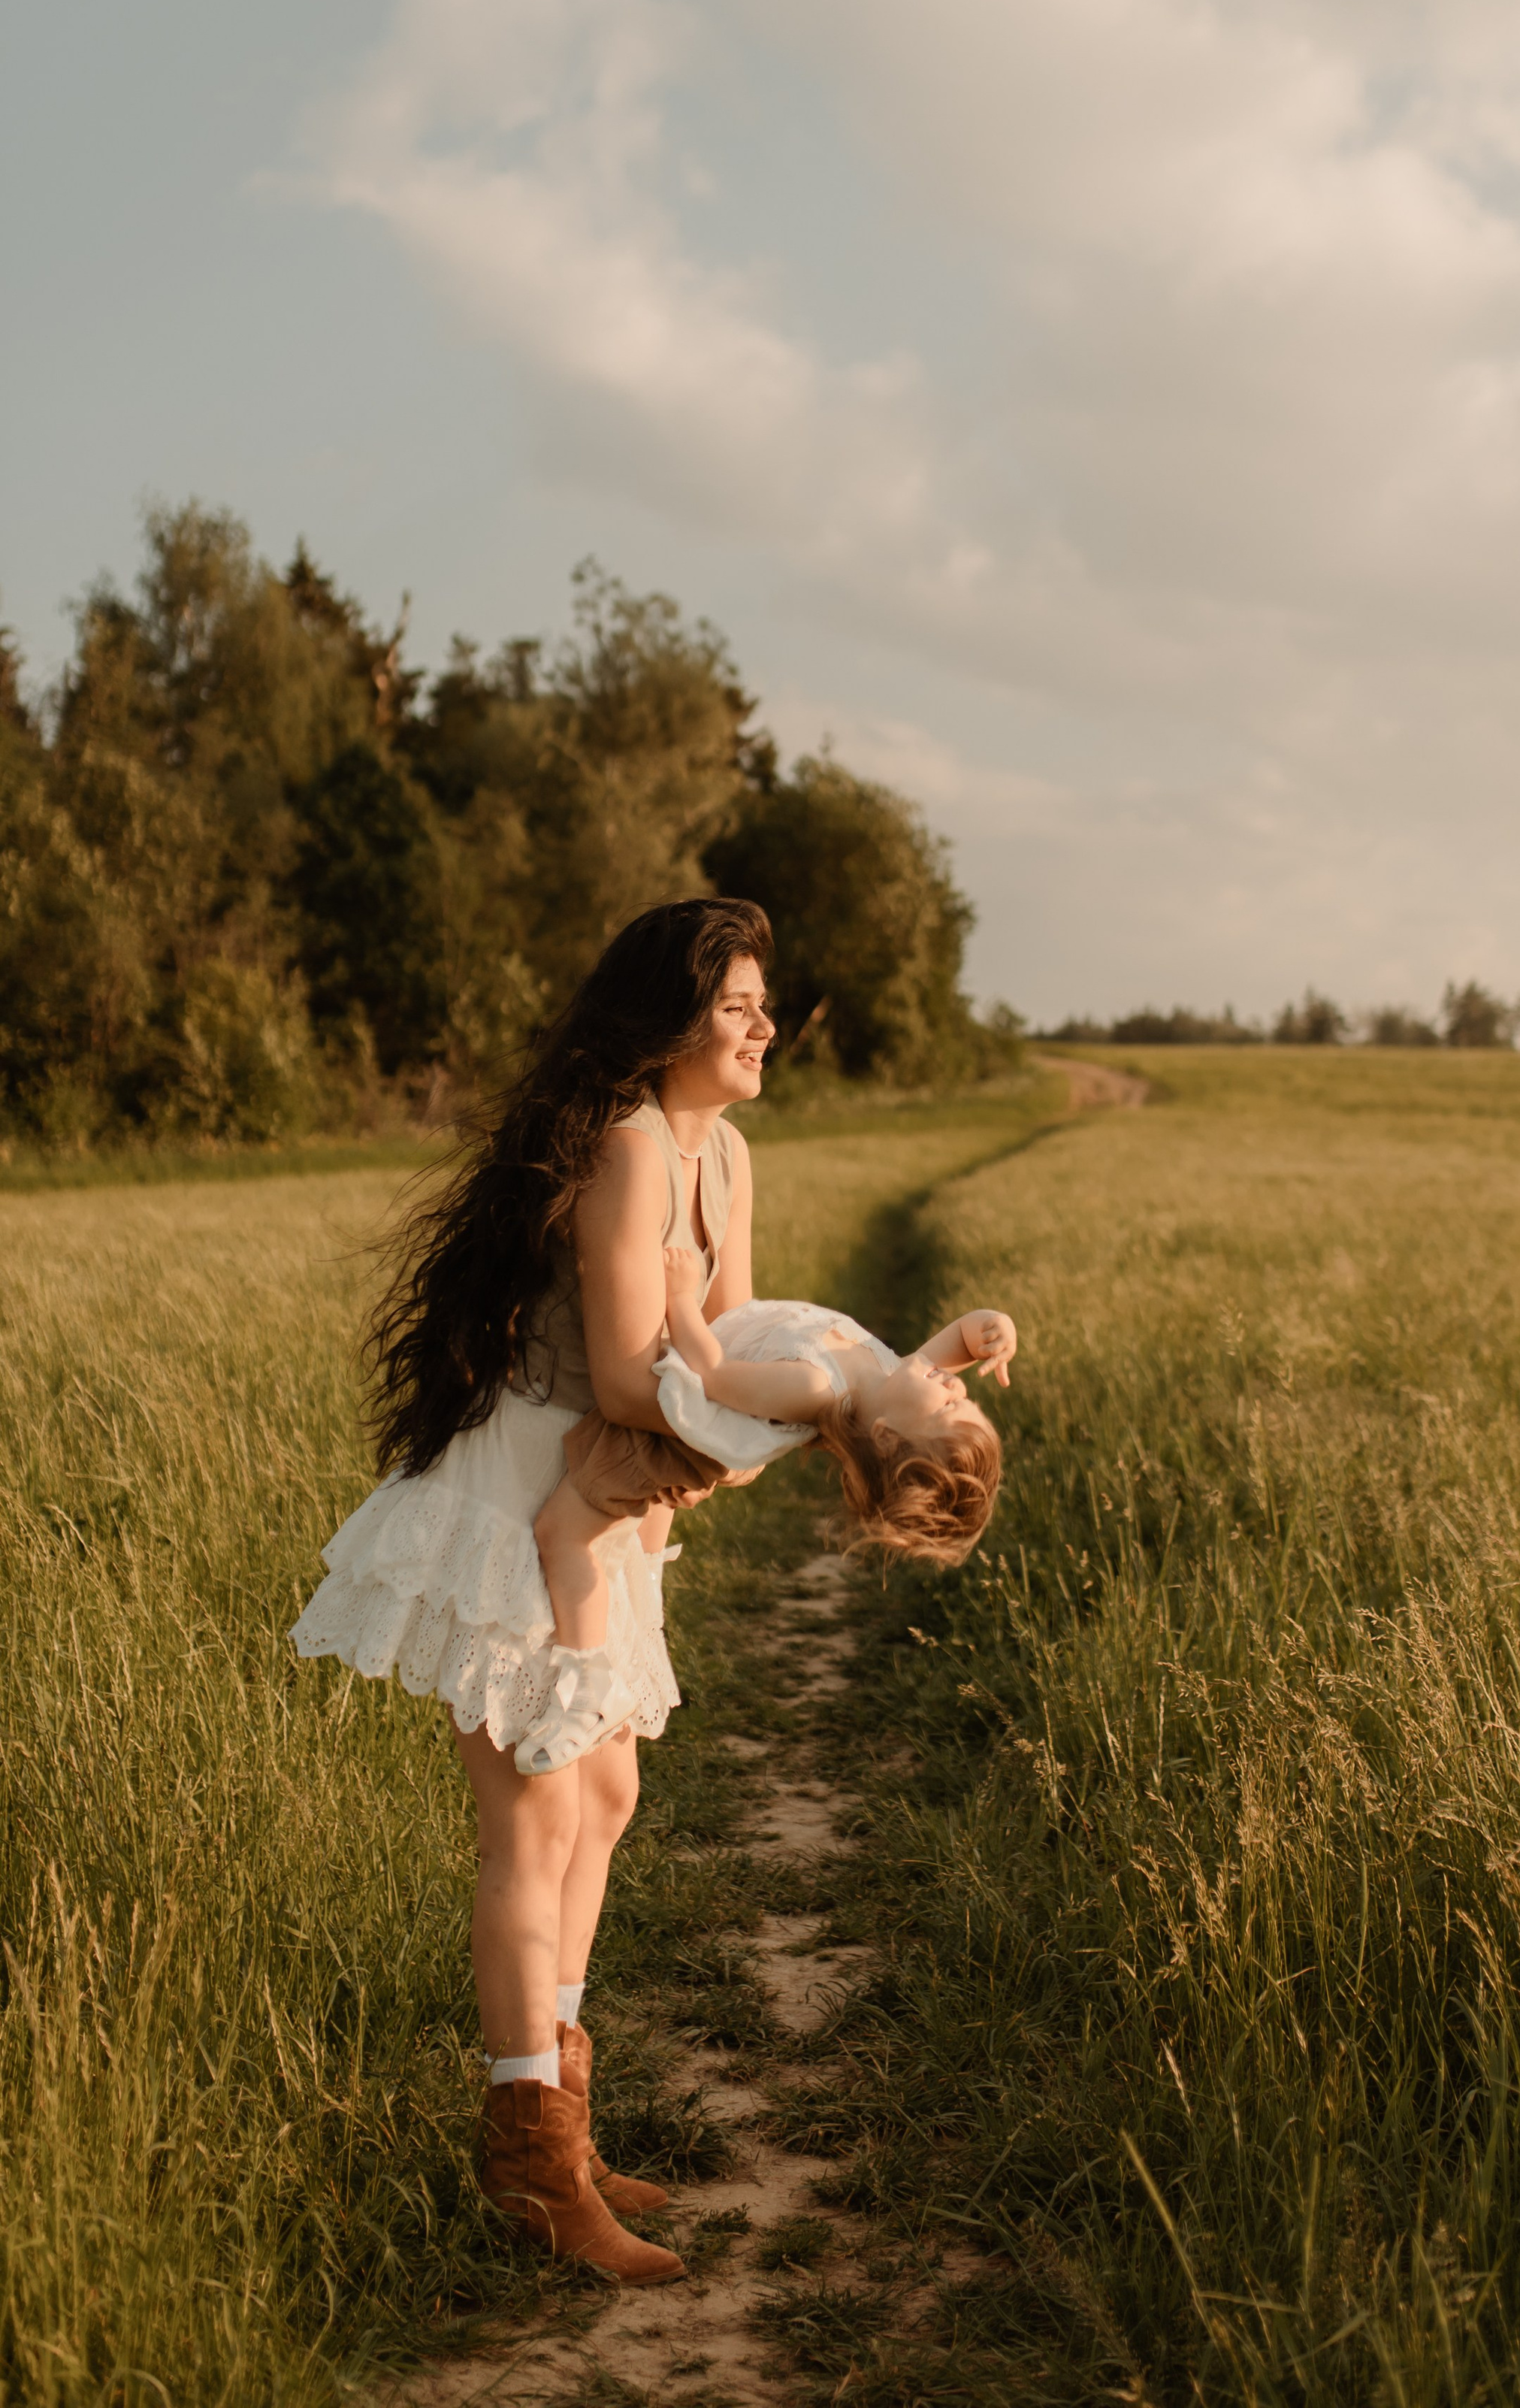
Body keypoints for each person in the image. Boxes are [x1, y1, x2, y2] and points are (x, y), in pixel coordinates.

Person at [291, 899, 781, 2288]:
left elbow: (733, 1339)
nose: (760, 1026)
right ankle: (533, 2168)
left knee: (607, 1797)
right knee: (537, 1811)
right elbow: (635, 1379)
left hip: (612, 1503)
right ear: (672, 1018)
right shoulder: (628, 1143)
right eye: (735, 1002)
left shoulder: (726, 1156)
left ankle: (560, 2115)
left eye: (762, 1002)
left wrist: (841, 1397)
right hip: (517, 1498)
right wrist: (757, 1430)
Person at [516, 1248, 1014, 1774]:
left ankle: (590, 1687)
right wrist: (996, 1329)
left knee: (563, 1536)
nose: (955, 1382)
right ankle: (611, 1660)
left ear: (887, 1438)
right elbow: (963, 1340)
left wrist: (681, 1296)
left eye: (950, 1404)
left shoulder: (813, 1388)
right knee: (615, 1558)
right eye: (966, 1396)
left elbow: (712, 1372)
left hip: (661, 1441)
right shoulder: (892, 1380)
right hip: (676, 1422)